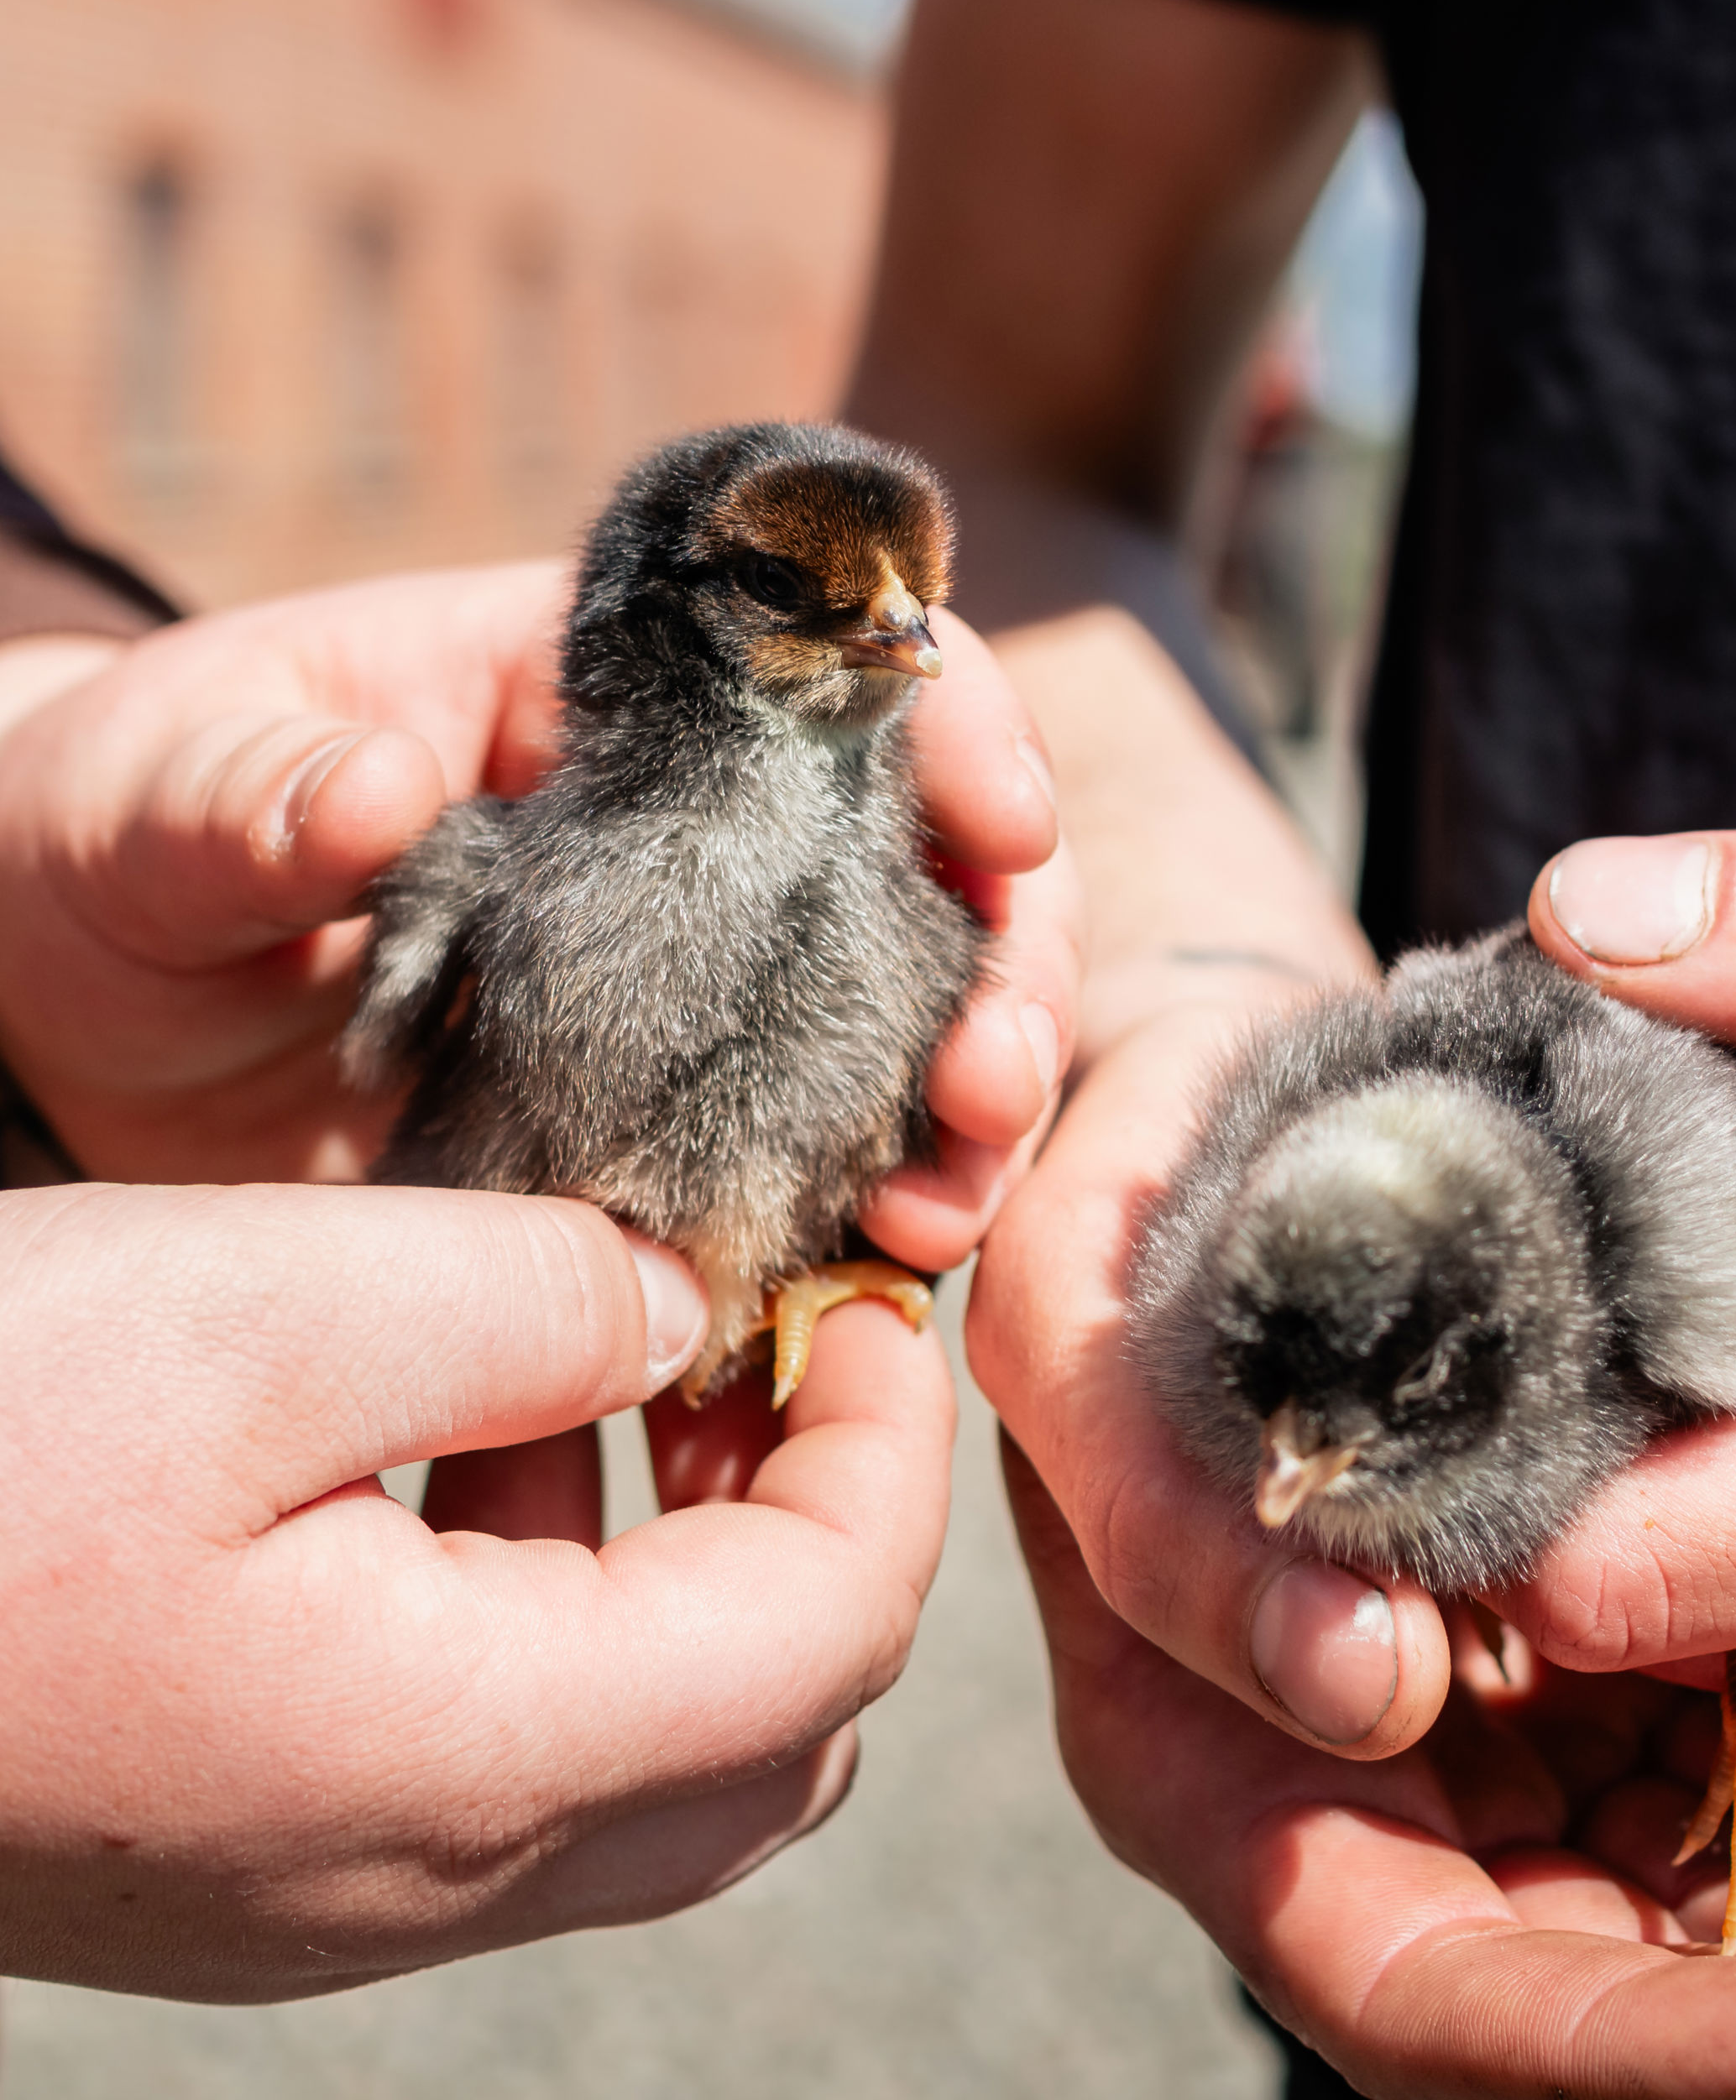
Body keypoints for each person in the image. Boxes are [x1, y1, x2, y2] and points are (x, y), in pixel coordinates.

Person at [850, 0, 1736, 2090]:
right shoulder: (1293, 1308)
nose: (1286, 1477)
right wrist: (1185, 978)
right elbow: (997, 433)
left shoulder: (1606, 1259)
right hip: (1520, 1784)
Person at [0, 457, 1081, 1997]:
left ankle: (803, 1280)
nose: (906, 633)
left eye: (921, 600)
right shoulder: (498, 877)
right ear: (669, 615)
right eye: (803, 594)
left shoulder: (927, 921)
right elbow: (381, 1066)